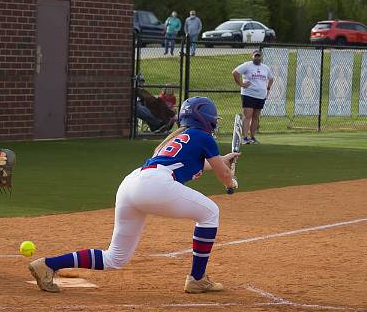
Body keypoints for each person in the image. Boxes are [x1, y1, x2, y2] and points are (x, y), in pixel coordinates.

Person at [29, 96, 239, 293]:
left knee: (115, 258)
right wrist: (231, 180)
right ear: (205, 119)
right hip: (155, 185)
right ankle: (197, 278)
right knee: (210, 213)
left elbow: (193, 163)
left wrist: (222, 161)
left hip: (132, 183)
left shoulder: (175, 138)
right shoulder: (203, 136)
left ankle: (48, 265)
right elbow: (224, 176)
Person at [232, 50, 274, 145]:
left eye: (259, 56)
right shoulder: (247, 65)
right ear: (252, 56)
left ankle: (253, 137)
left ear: (261, 57)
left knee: (256, 117)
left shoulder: (265, 68)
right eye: (255, 56)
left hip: (261, 96)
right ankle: (244, 138)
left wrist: (268, 89)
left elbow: (271, 78)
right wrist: (241, 84)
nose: (257, 58)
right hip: (248, 95)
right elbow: (235, 73)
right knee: (248, 116)